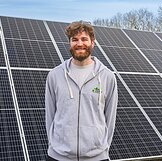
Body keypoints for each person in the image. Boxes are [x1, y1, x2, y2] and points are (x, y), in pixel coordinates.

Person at [45, 21, 118, 161]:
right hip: (58, 157)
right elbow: (50, 116)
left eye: (84, 39)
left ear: (92, 43)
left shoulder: (107, 77)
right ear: (70, 43)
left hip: (97, 157)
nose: (80, 44)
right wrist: (55, 146)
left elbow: (110, 118)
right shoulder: (55, 75)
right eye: (75, 40)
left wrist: (102, 149)